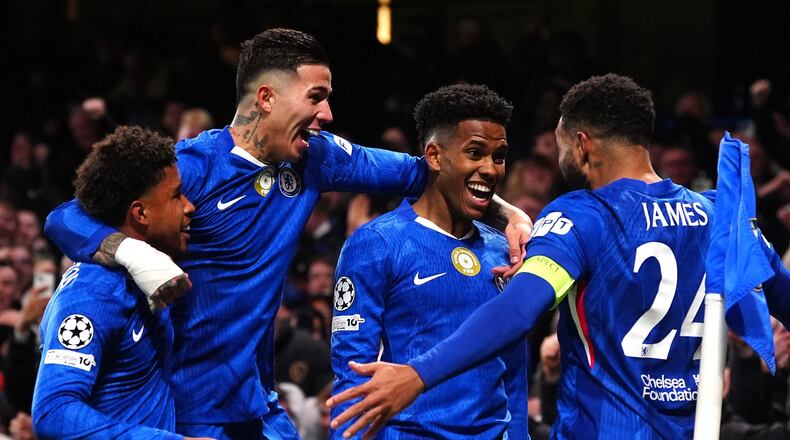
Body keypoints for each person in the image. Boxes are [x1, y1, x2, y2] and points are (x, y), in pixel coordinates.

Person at [43, 28, 531, 440]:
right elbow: (67, 216)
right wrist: (132, 253)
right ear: (267, 98)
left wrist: (508, 215)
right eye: (316, 97)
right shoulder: (191, 169)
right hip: (191, 412)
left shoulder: (317, 158)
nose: (327, 115)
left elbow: (431, 169)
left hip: (263, 409)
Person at [326, 74, 790, 439]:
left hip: (601, 428)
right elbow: (782, 292)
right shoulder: (716, 212)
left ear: (582, 144)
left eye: (561, 142)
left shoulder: (581, 215)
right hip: (689, 427)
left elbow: (517, 310)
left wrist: (416, 374)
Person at [330, 83, 528, 439]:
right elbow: (352, 372)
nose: (490, 169)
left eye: (498, 156)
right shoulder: (376, 244)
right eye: (475, 152)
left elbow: (513, 365)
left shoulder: (505, 251)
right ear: (435, 156)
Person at [31, 126, 205, 439]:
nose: (190, 206)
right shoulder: (92, 291)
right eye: (177, 195)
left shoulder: (145, 277)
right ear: (141, 214)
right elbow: (53, 412)